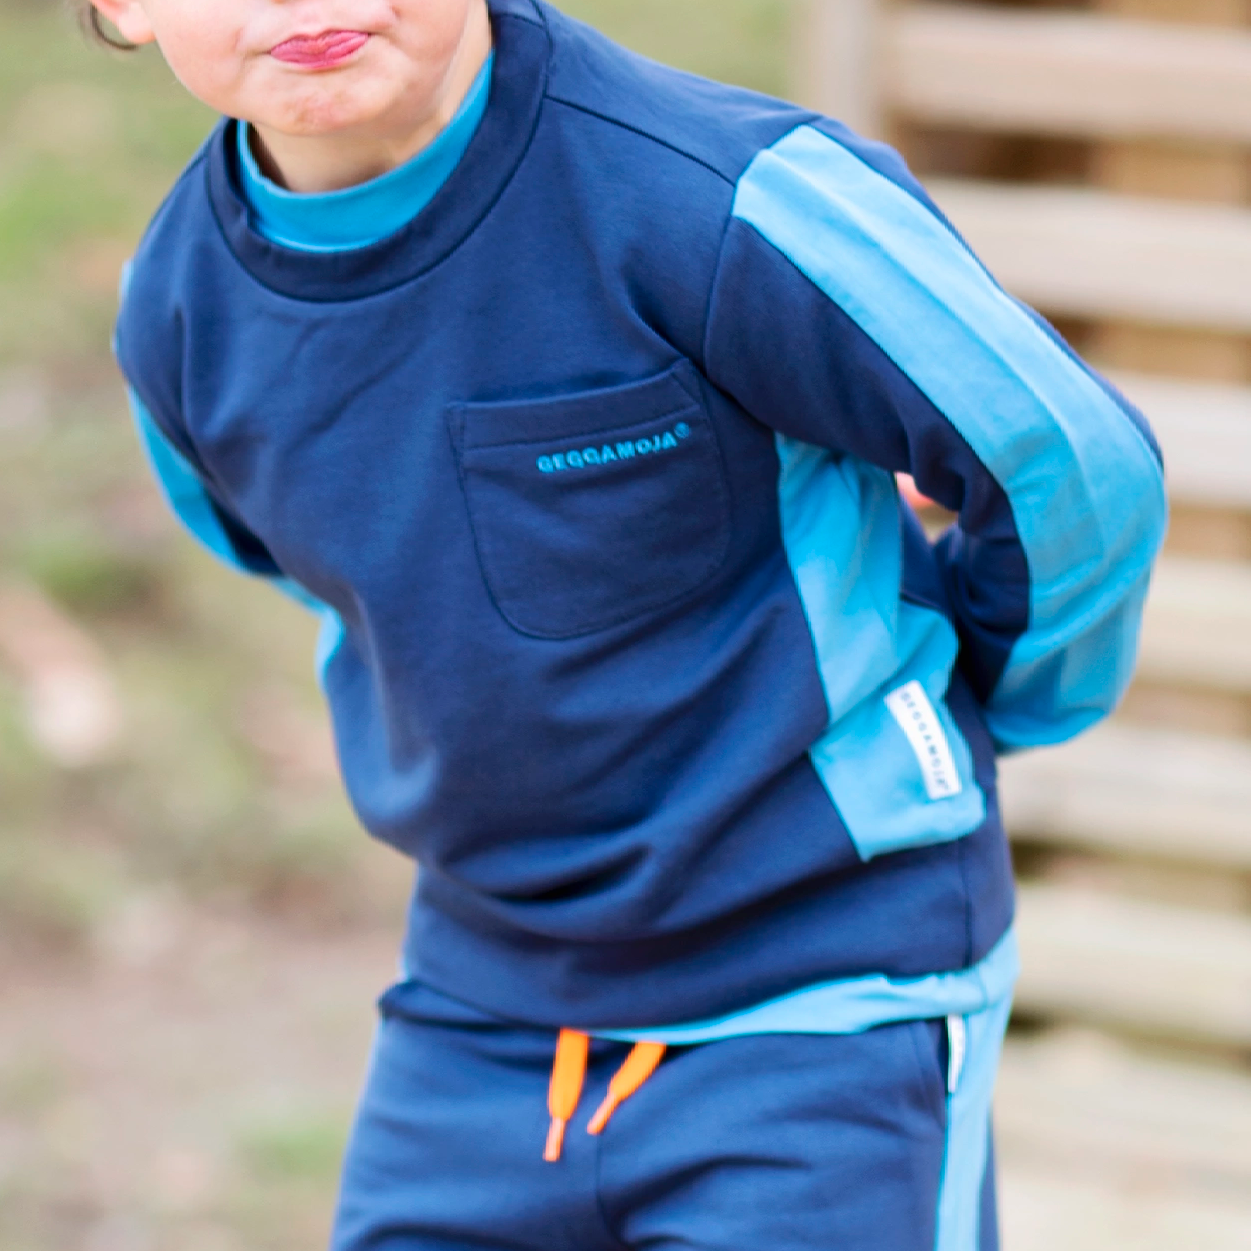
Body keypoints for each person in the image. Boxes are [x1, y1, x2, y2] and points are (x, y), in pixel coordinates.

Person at [85, 0, 1168, 1247]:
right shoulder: (177, 310)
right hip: (481, 1011)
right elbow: (301, 559)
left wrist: (991, 699)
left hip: (824, 1000)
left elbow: (1070, 465)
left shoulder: (722, 198)